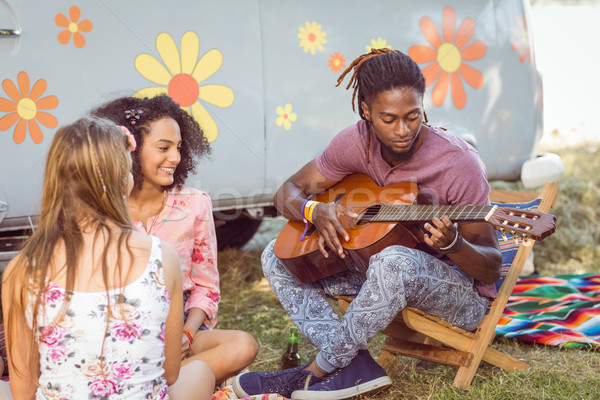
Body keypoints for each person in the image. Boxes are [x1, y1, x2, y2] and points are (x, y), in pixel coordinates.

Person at [232, 48, 502, 400]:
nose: (403, 130)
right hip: (378, 277)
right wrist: (315, 211)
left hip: (459, 298)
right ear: (366, 112)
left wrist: (453, 244)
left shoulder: (459, 162)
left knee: (392, 260)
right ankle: (356, 365)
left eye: (413, 116)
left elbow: (490, 269)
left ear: (423, 107)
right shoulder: (354, 142)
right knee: (274, 256)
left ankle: (315, 371)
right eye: (388, 119)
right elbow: (287, 192)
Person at [1, 117, 215, 399]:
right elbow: (171, 372)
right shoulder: (162, 258)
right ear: (121, 182)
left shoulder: (20, 271)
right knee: (200, 372)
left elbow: (23, 384)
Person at [91, 95, 258, 386]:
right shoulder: (104, 205)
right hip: (120, 330)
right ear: (130, 150)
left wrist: (186, 335)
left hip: (178, 325)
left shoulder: (195, 204)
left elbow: (206, 286)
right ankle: (176, 382)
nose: (175, 158)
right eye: (163, 148)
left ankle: (151, 382)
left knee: (243, 346)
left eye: (179, 148)